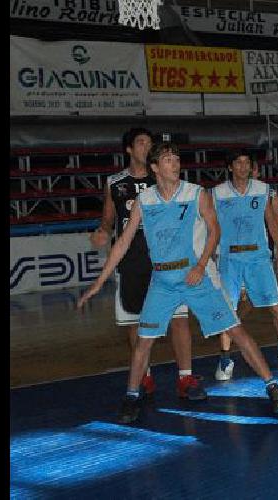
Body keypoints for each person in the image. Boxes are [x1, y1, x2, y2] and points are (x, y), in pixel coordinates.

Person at [80, 141, 278, 423]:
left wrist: (201, 265)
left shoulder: (196, 193)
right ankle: (131, 396)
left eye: (176, 158)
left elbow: (214, 232)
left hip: (194, 275)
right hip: (163, 280)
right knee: (144, 341)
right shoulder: (145, 201)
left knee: (236, 330)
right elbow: (123, 244)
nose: (175, 163)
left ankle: (273, 386)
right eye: (168, 159)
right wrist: (98, 282)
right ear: (155, 167)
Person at [90, 127, 205, 402]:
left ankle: (186, 378)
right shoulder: (115, 183)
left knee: (179, 319)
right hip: (132, 261)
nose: (146, 147)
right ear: (129, 149)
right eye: (141, 143)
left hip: (167, 261)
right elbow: (108, 220)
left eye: (149, 143)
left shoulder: (167, 181)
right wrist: (103, 230)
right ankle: (144, 376)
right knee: (136, 323)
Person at [211, 151, 278, 380]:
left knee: (276, 306)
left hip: (258, 258)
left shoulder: (262, 190)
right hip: (229, 259)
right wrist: (208, 258)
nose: (243, 166)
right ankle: (225, 357)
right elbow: (212, 227)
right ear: (230, 167)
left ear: (252, 167)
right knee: (227, 311)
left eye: (246, 163)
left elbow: (271, 222)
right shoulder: (217, 193)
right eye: (238, 162)